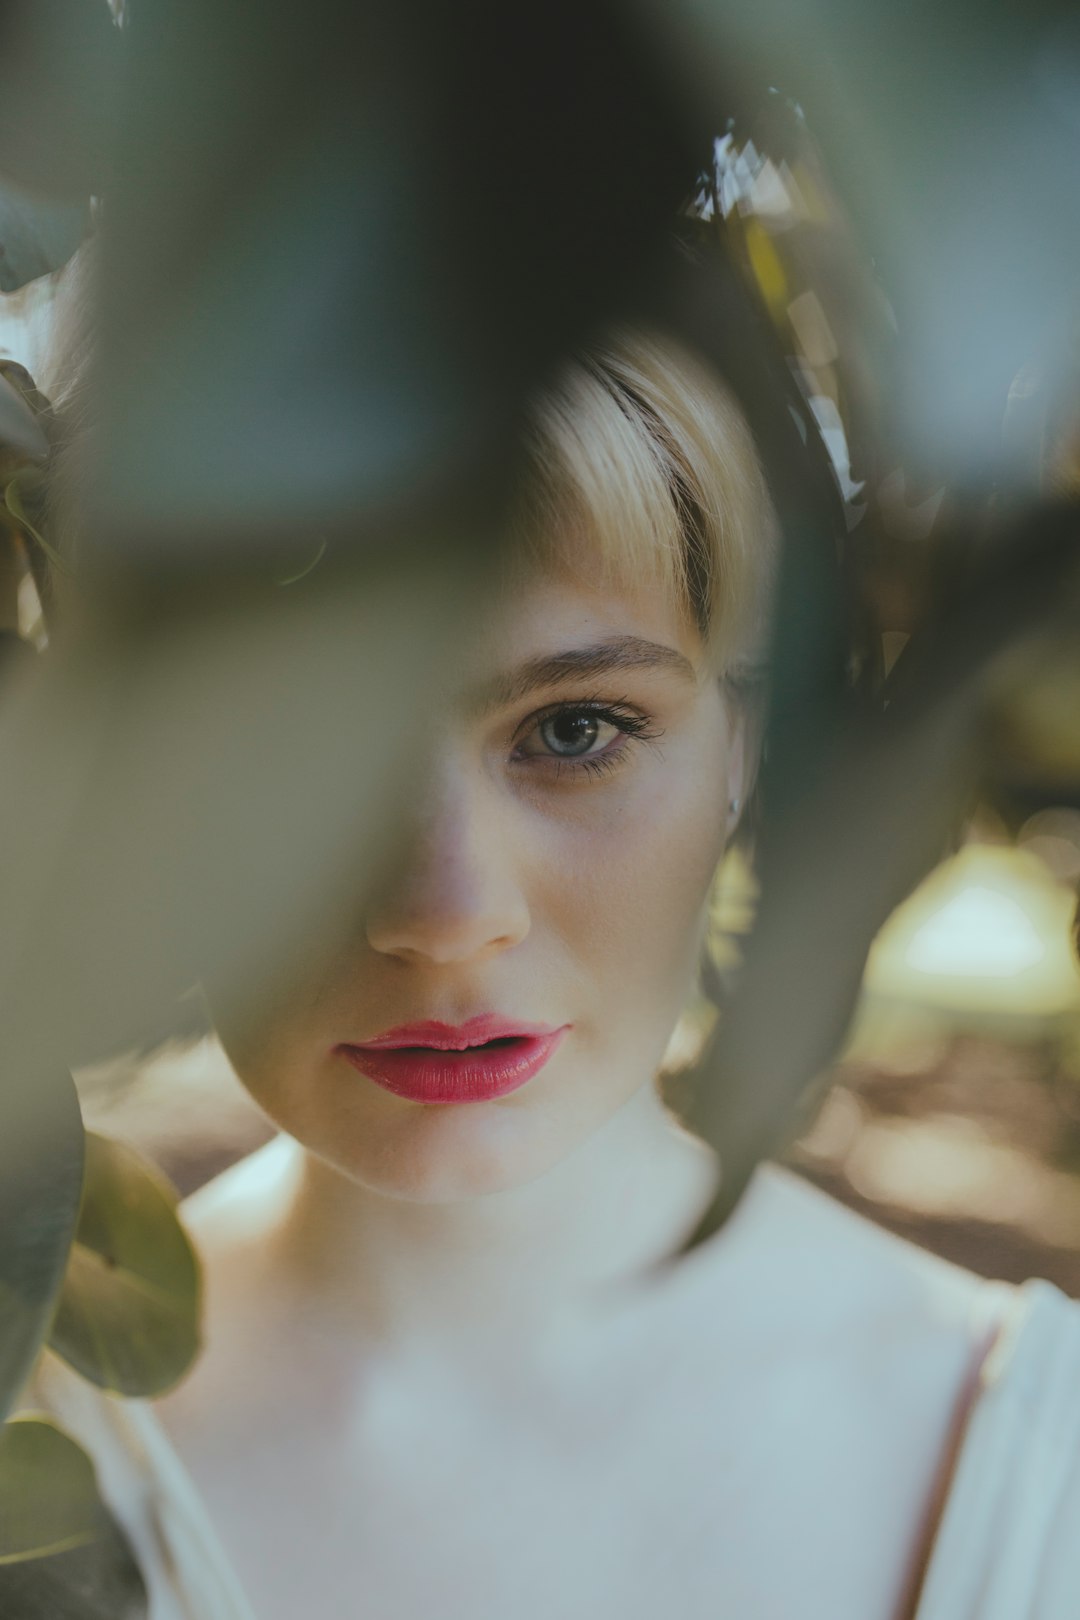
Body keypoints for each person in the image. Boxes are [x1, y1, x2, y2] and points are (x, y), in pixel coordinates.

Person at [24, 326, 1080, 1620]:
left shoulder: (1035, 1471)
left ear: (747, 743)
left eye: (575, 731)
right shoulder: (34, 1468)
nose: (443, 912)